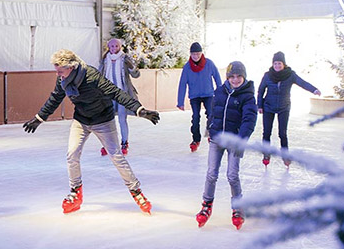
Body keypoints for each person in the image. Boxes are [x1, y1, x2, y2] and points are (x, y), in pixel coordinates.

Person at [22, 49, 160, 215]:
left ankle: (136, 192)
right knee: (72, 154)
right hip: (81, 120)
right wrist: (39, 119)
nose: (57, 74)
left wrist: (140, 110)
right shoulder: (63, 80)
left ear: (71, 67)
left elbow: (115, 92)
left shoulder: (91, 76)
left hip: (103, 120)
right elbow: (54, 99)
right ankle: (76, 192)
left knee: (116, 156)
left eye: (60, 70)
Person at [196, 61, 257, 230]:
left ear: (243, 77)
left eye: (238, 76)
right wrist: (210, 130)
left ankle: (238, 207)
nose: (235, 80)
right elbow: (213, 113)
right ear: (228, 77)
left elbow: (249, 121)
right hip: (217, 139)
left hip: (234, 141)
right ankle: (207, 204)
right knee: (211, 173)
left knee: (232, 175)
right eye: (232, 76)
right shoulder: (220, 92)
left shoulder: (248, 96)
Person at [257, 51, 321, 169]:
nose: (277, 66)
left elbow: (302, 83)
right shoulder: (267, 75)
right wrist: (259, 105)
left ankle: (285, 155)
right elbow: (261, 91)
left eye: (279, 63)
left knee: (282, 133)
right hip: (268, 107)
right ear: (272, 64)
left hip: (284, 107)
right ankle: (266, 154)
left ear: (284, 64)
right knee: (267, 132)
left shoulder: (290, 75)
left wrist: (314, 90)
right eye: (275, 63)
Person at [177, 42, 222, 152]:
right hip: (195, 96)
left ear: (201, 53)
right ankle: (196, 139)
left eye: (198, 54)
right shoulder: (187, 67)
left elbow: (217, 77)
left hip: (208, 94)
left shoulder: (209, 64)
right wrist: (180, 102)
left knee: (211, 114)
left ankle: (211, 134)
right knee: (196, 117)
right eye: (193, 54)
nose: (196, 56)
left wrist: (221, 94)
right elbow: (182, 84)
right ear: (190, 55)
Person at [98, 38, 140, 156]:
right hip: (108, 94)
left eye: (116, 46)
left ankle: (124, 143)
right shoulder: (105, 60)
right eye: (112, 46)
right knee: (107, 120)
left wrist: (131, 66)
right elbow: (99, 75)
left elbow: (136, 74)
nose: (114, 48)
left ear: (120, 47)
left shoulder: (125, 59)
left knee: (122, 119)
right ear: (109, 47)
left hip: (122, 94)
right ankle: (107, 144)